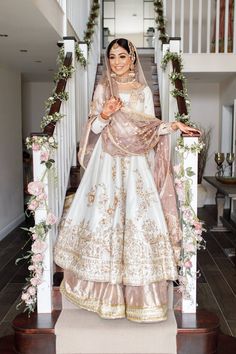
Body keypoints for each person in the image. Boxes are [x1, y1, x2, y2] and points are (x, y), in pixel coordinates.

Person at [54, 38, 200, 323]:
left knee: (137, 220)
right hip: (106, 163)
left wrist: (174, 125)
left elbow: (150, 129)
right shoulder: (102, 88)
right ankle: (103, 296)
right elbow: (93, 127)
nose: (117, 62)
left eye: (122, 56)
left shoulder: (144, 91)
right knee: (102, 220)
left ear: (132, 59)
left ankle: (141, 299)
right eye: (112, 57)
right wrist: (106, 114)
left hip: (135, 165)